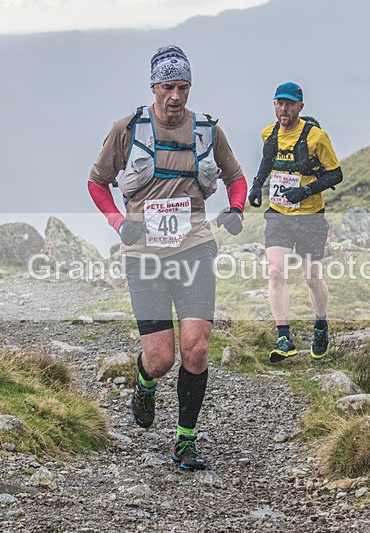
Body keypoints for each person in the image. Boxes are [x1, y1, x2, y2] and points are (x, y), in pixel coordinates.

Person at [87, 45, 247, 470]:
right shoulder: (127, 129)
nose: (176, 96)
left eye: (183, 87)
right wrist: (119, 223)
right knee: (161, 358)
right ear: (154, 87)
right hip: (144, 255)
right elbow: (97, 183)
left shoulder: (207, 131)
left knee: (196, 347)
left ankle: (185, 440)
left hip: (195, 248)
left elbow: (236, 176)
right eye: (168, 87)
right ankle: (144, 381)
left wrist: (236, 208)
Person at [247, 82, 343, 363]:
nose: (284, 109)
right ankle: (284, 336)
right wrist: (256, 186)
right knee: (276, 271)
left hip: (310, 217)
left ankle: (321, 323)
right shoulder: (269, 133)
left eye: (289, 104)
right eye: (280, 103)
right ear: (274, 105)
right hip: (279, 214)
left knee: (311, 278)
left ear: (300, 107)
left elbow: (336, 174)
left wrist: (305, 191)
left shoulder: (316, 137)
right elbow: (267, 162)